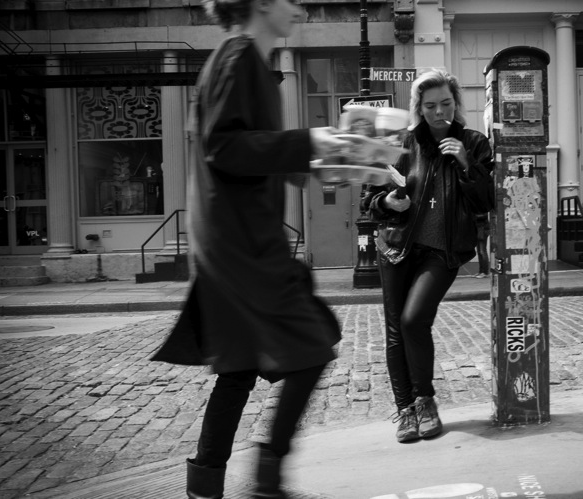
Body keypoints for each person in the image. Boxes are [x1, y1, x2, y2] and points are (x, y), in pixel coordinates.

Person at [150, 1, 346, 498]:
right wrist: (308, 142)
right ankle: (267, 474)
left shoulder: (244, 60)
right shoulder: (238, 57)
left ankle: (205, 486)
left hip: (232, 239)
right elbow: (225, 146)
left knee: (237, 368)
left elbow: (245, 150)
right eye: (289, 0)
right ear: (261, 2)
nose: (298, 8)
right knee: (313, 344)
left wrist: (310, 162)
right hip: (242, 245)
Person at [362, 69, 493, 443]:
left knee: (414, 319)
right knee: (394, 330)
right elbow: (369, 202)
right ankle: (406, 409)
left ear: (456, 103)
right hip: (396, 246)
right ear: (419, 107)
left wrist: (467, 164)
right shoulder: (401, 143)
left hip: (443, 251)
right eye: (431, 105)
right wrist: (388, 201)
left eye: (447, 104)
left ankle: (426, 400)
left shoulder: (474, 142)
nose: (440, 113)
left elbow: (486, 201)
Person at [474, 213, 491, 278]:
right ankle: (481, 271)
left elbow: (484, 216)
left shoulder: (482, 207)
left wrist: (473, 216)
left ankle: (485, 272)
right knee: (479, 252)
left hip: (483, 229)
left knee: (482, 251)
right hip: (479, 229)